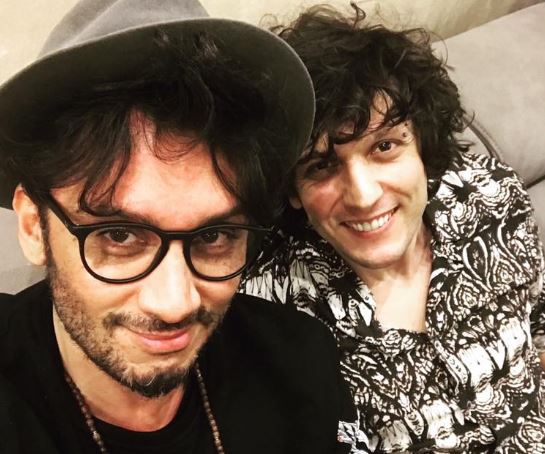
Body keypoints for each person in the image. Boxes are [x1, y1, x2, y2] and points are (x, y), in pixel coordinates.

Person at [0, 1, 361, 453]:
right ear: (33, 226)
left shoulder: (298, 366)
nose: (175, 304)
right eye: (119, 235)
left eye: (213, 236)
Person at [241, 4, 545, 452]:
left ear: (422, 144)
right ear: (292, 191)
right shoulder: (276, 313)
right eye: (321, 166)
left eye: (384, 146)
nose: (363, 195)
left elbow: (537, 320)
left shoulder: (490, 198)